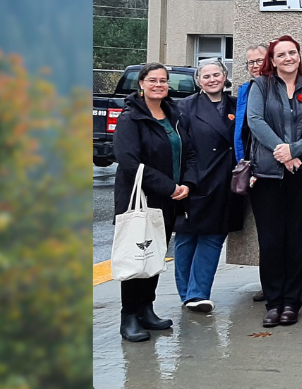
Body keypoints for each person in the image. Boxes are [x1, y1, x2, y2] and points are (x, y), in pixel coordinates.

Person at [246, 35, 302, 328]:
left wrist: (295, 151)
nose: (288, 58)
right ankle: (273, 302)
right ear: (273, 59)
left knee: (299, 239)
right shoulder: (260, 86)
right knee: (271, 241)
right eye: (281, 54)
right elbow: (255, 121)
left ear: (299, 55)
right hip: (268, 176)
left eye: (292, 52)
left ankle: (292, 302)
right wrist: (283, 154)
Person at [113, 62, 193, 342]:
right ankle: (130, 317)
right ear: (142, 84)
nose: (159, 85)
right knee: (137, 256)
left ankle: (147, 310)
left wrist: (187, 184)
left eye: (163, 81)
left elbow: (189, 152)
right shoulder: (130, 119)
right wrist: (169, 186)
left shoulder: (174, 114)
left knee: (154, 254)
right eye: (153, 80)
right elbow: (128, 163)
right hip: (139, 199)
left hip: (169, 199)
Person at [175, 59, 245, 314]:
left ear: (225, 76)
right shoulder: (184, 107)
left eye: (217, 74)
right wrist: (183, 180)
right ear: (198, 82)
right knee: (186, 238)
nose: (212, 79)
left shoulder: (238, 104)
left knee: (214, 237)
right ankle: (187, 293)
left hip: (228, 181)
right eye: (206, 76)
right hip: (195, 180)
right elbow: (180, 147)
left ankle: (198, 293)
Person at [235, 43, 268, 303]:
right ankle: (268, 283)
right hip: (253, 169)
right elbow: (241, 133)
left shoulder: (279, 89)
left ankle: (287, 284)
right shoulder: (245, 90)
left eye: (260, 60)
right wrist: (242, 163)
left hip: (278, 167)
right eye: (250, 62)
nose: (255, 66)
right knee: (265, 231)